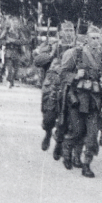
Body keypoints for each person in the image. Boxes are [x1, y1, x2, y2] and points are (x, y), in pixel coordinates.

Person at [59, 27, 102, 178]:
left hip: (94, 100)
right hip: (77, 99)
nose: (96, 41)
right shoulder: (76, 54)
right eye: (93, 38)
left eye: (98, 38)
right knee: (77, 131)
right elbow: (63, 74)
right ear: (87, 39)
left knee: (92, 135)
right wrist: (75, 75)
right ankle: (67, 151)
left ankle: (87, 164)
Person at [33, 21, 77, 155]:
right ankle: (47, 132)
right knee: (49, 116)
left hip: (70, 84)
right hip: (53, 84)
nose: (69, 33)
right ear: (60, 33)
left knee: (68, 116)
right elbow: (37, 61)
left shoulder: (78, 49)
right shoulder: (52, 46)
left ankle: (59, 142)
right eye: (66, 30)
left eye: (71, 30)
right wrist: (50, 56)